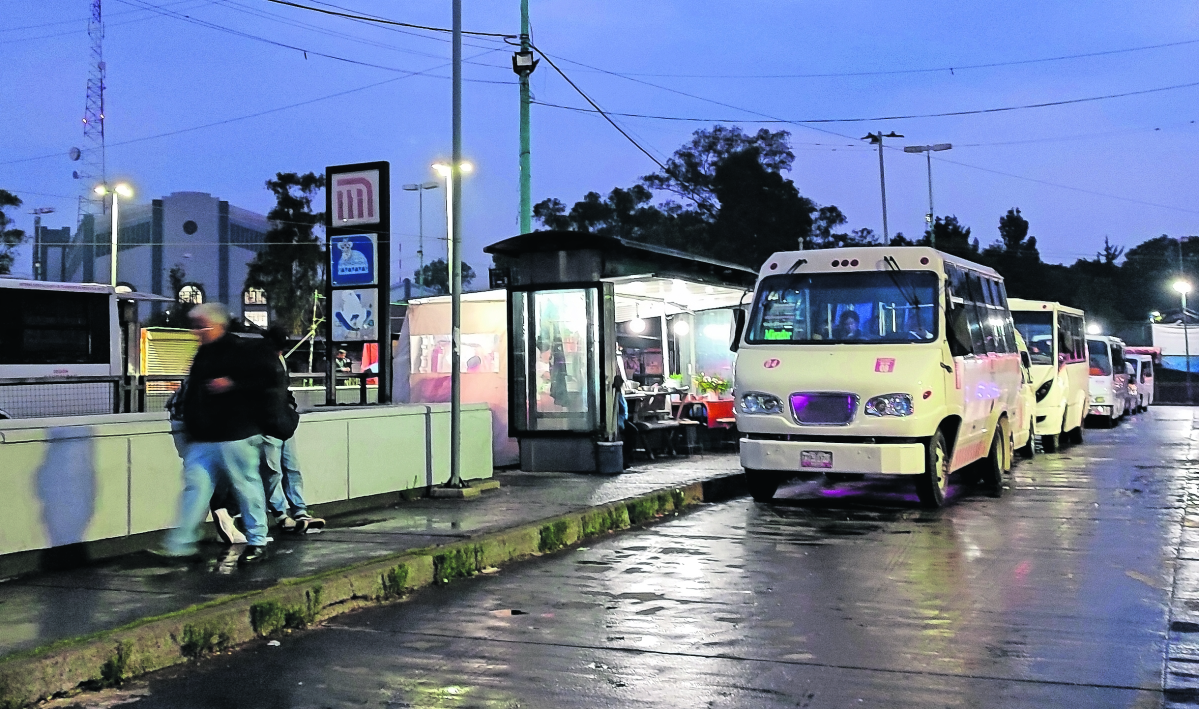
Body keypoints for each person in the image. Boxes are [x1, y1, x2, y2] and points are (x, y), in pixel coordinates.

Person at [161, 303, 274, 564]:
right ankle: (181, 543)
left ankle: (256, 540)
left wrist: (232, 384)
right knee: (204, 487)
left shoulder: (237, 351)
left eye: (200, 325)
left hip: (234, 434)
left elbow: (265, 381)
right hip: (208, 436)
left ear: (217, 325)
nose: (195, 331)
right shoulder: (207, 354)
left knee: (243, 486)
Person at [260, 326, 325, 534]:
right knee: (279, 471)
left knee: (283, 469)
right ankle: (288, 512)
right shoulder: (264, 362)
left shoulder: (274, 359)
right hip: (275, 422)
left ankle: (293, 512)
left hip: (277, 422)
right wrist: (290, 409)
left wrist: (289, 409)